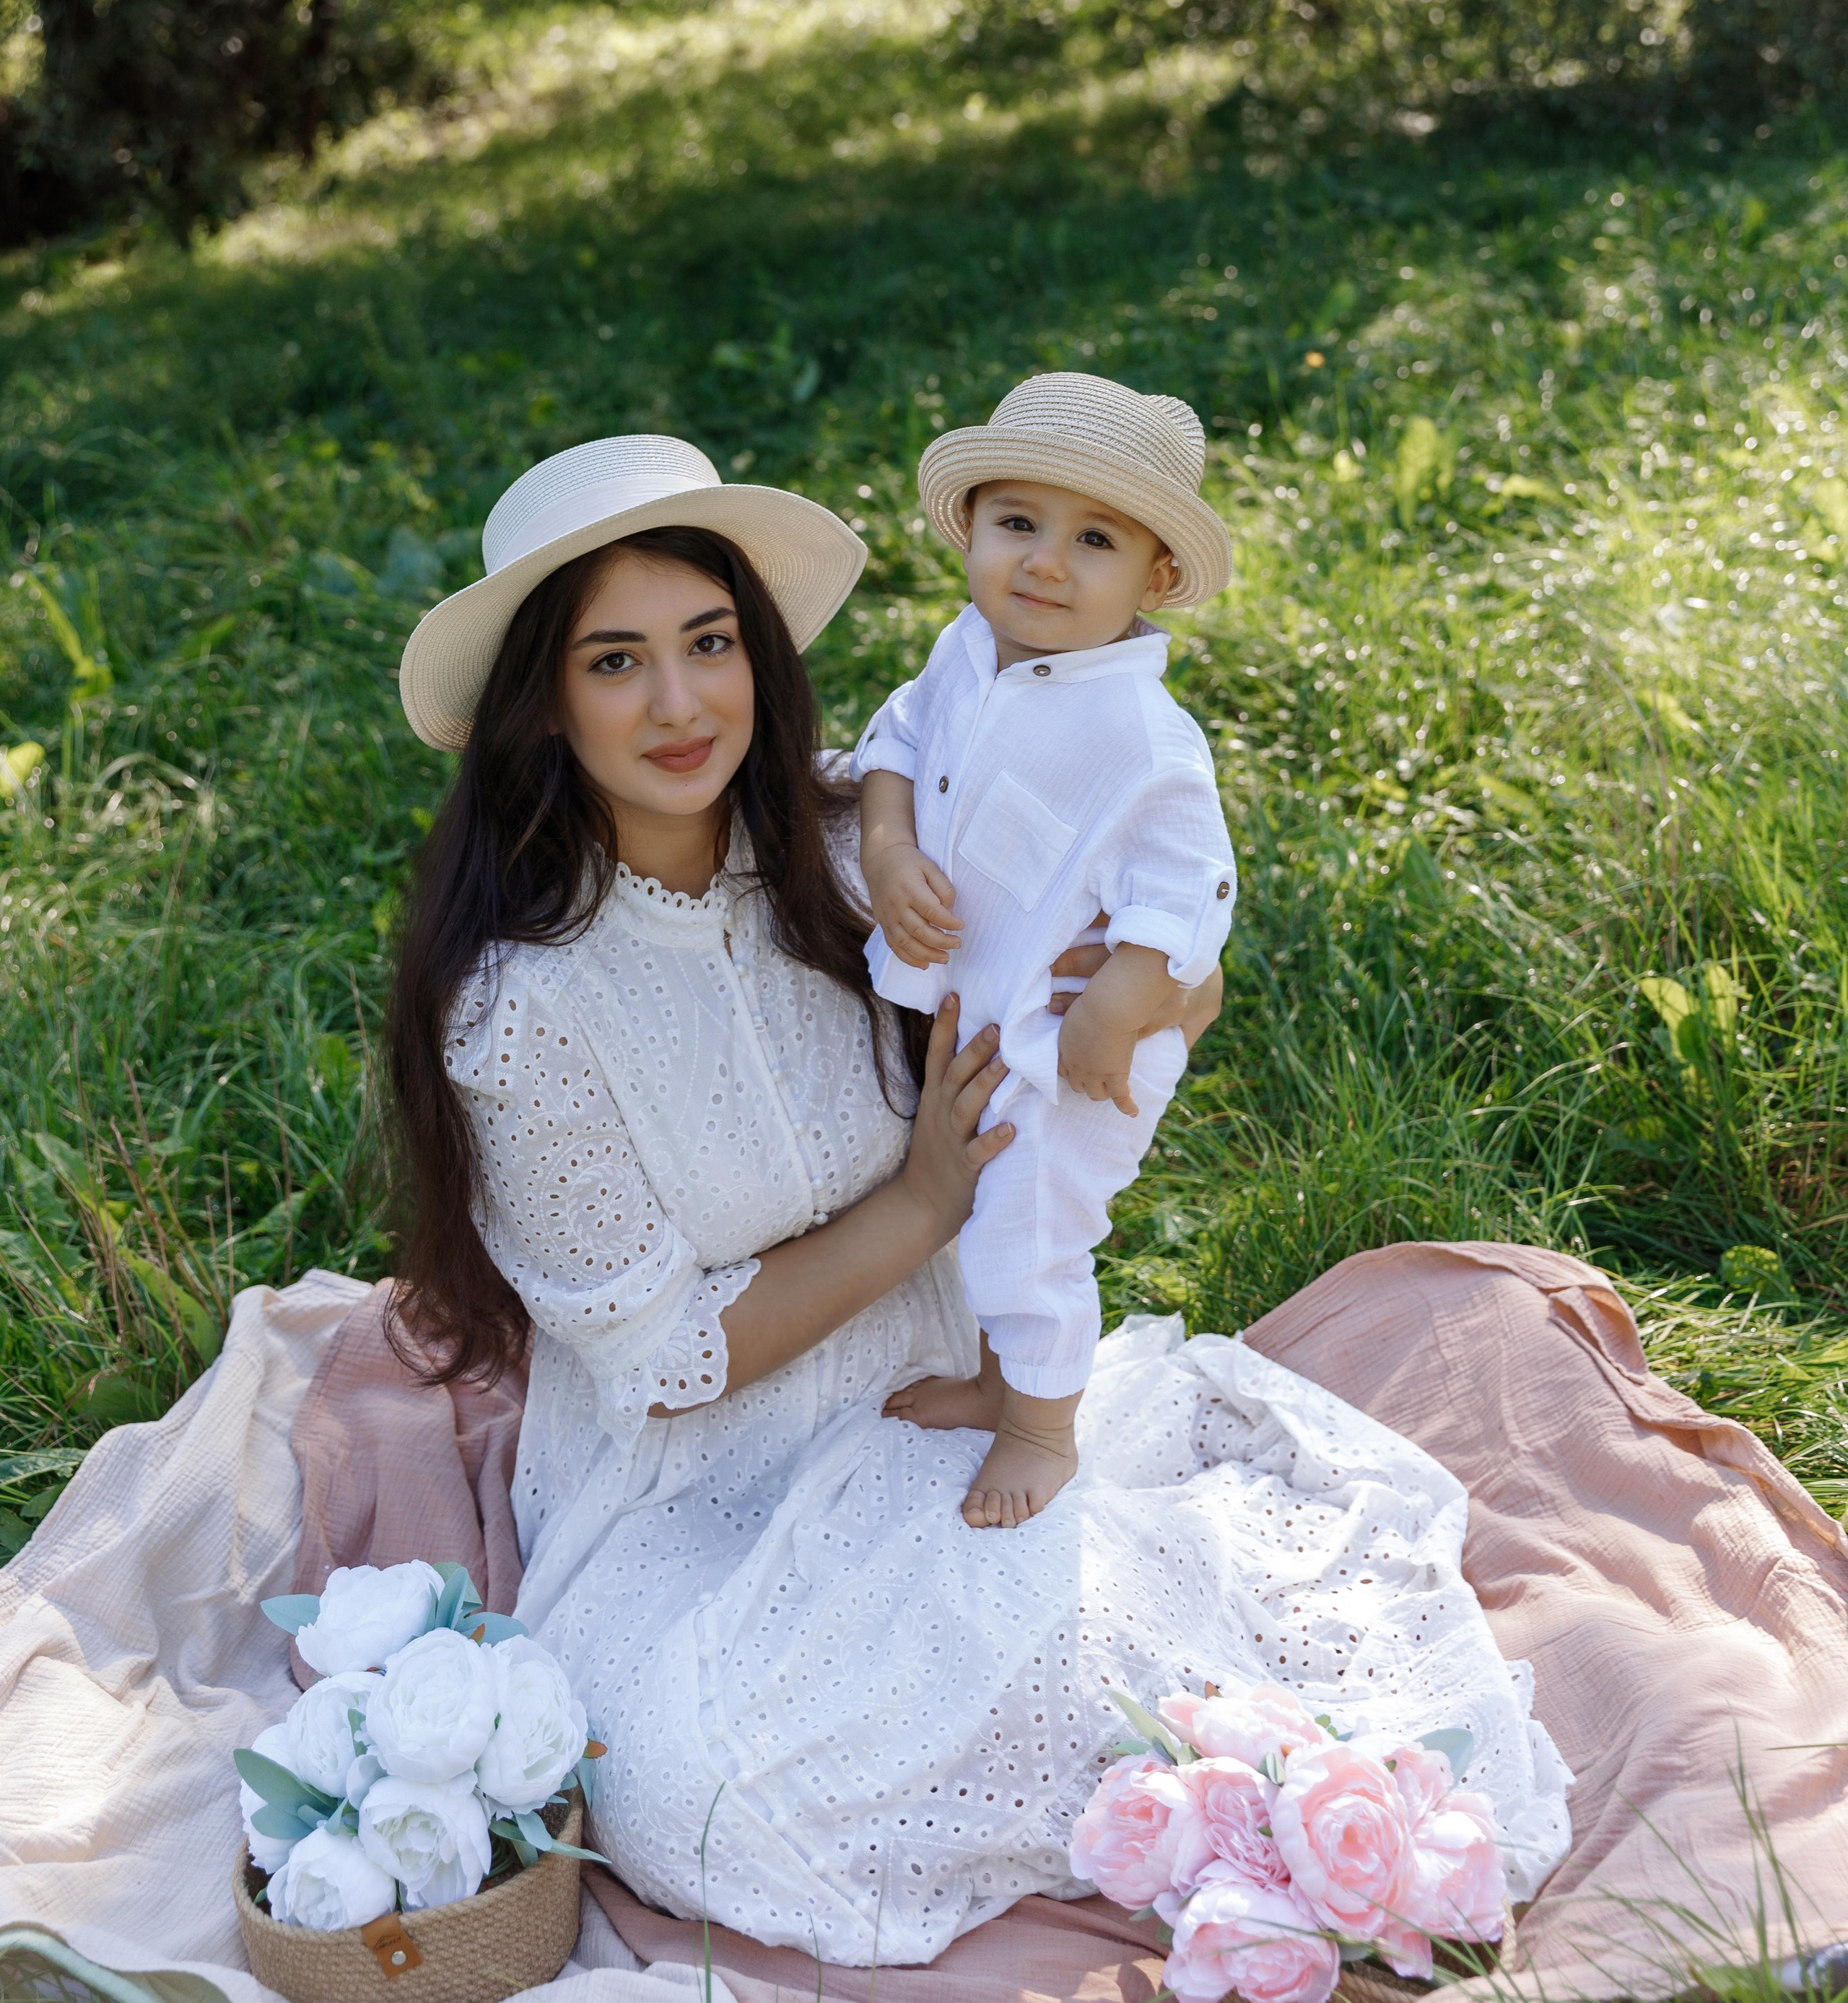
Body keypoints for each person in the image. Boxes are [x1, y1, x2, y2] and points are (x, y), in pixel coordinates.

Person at [387, 433, 1571, 1966]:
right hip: (697, 1484)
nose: (680, 706)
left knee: (1044, 1612)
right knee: (683, 1791)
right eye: (616, 663)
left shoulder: (856, 833)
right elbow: (663, 1363)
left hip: (943, 1389)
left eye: (709, 643)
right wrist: (926, 1203)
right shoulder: (525, 1008)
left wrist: (1145, 993)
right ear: (542, 704)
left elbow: (1163, 957)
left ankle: (1232, 1798)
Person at [856, 373, 1238, 1529]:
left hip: (1076, 1050)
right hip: (984, 1002)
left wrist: (1119, 1005)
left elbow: (1191, 889)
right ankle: (990, 1374)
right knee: (978, 1211)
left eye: (1094, 540)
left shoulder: (1142, 736)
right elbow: (896, 736)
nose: (1045, 564)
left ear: (1155, 577)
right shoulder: (968, 652)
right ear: (971, 529)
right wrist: (884, 842)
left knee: (1031, 1227)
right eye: (1017, 524)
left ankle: (1041, 1426)